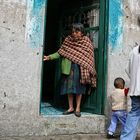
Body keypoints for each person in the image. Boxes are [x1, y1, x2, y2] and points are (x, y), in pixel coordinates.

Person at [43, 23, 96, 117]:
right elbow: (60, 52)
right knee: (69, 89)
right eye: (73, 31)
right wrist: (49, 57)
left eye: (77, 31)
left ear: (82, 32)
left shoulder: (86, 41)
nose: (74, 33)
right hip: (69, 69)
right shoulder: (68, 40)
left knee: (79, 89)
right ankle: (71, 107)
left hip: (80, 69)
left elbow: (89, 57)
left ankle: (78, 108)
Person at [120, 45, 140, 140]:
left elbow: (127, 70)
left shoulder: (134, 50)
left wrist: (135, 81)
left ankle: (126, 138)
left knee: (134, 113)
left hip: (136, 89)